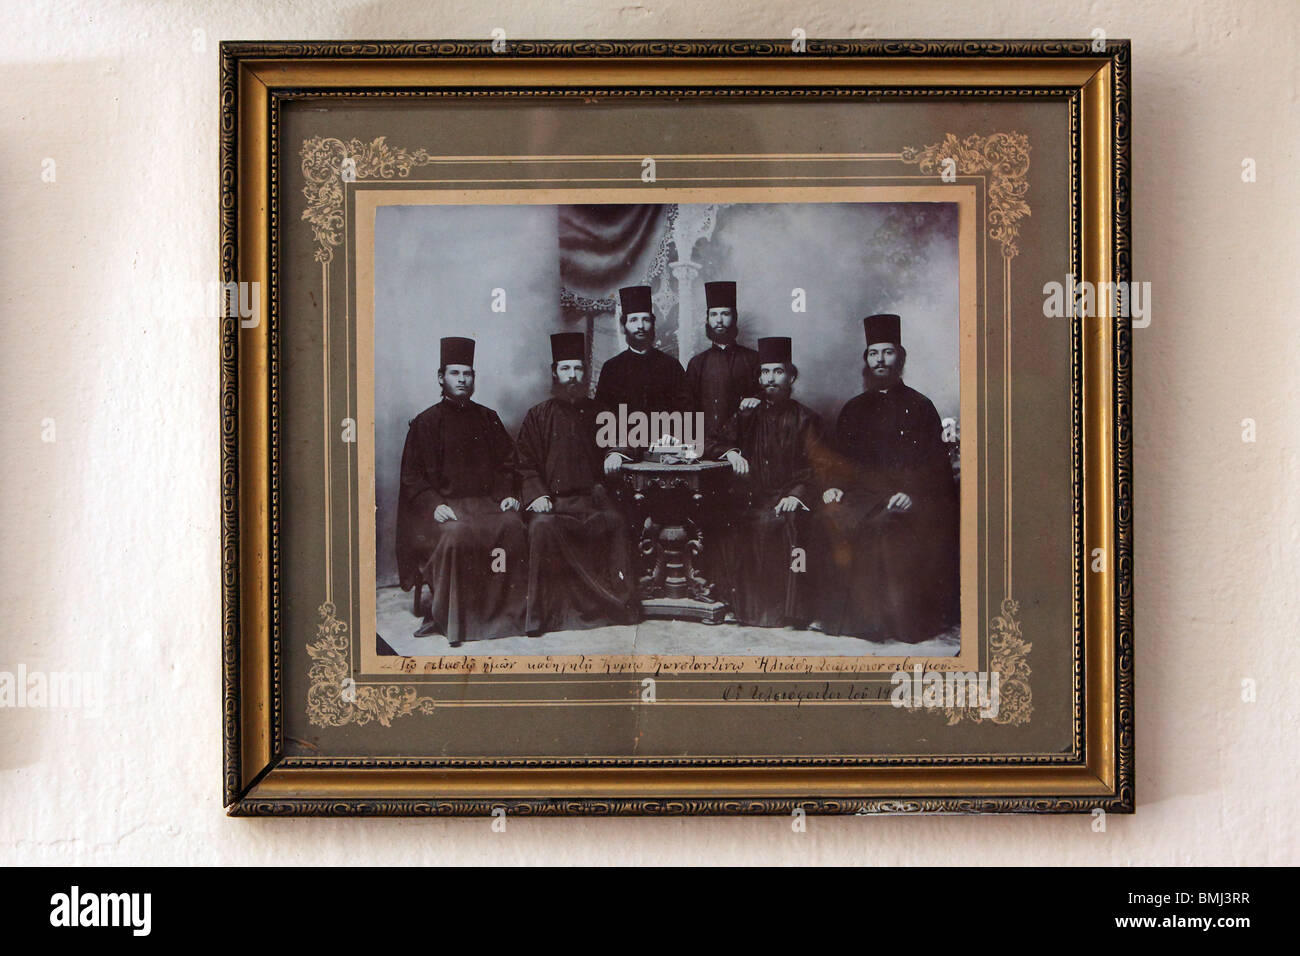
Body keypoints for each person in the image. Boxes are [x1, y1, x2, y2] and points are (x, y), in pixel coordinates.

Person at [815, 314, 959, 643]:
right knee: (830, 518)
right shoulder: (853, 408)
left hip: (905, 496)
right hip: (863, 495)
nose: (880, 360)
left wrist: (912, 493)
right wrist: (835, 486)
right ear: (866, 360)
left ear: (900, 357)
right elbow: (841, 461)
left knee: (885, 527)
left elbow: (934, 465)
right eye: (873, 353)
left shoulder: (921, 406)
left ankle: (893, 623)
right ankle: (847, 620)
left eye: (887, 352)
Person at [395, 336, 527, 645]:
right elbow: (412, 477)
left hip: (484, 504)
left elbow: (508, 463)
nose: (462, 379)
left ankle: (505, 614)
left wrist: (508, 492)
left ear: (474, 378)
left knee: (512, 526)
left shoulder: (488, 418)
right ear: (441, 378)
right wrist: (433, 503)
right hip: (443, 508)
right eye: (455, 373)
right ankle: (450, 617)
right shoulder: (425, 423)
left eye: (467, 373)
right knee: (455, 535)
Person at [516, 332, 638, 635]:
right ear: (555, 372)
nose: (573, 375)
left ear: (586, 372)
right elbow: (524, 463)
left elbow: (628, 440)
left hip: (592, 501)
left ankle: (614, 606)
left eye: (578, 369)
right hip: (554, 503)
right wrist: (537, 495)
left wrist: (616, 452)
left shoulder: (600, 412)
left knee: (616, 523)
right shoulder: (538, 415)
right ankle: (547, 616)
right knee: (541, 528)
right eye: (566, 369)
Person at [710, 337, 827, 627]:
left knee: (781, 522)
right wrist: (732, 453)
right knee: (729, 521)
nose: (770, 378)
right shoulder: (748, 414)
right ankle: (738, 605)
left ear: (791, 376)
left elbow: (818, 469)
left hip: (787, 497)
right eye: (765, 372)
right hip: (752, 497)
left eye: (777, 371)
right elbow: (715, 442)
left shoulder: (807, 419)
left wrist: (796, 495)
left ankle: (789, 610)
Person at [593, 284, 691, 470]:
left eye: (646, 320)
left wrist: (673, 438)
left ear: (653, 324)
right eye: (634, 320)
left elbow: (685, 410)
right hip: (624, 458)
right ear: (624, 326)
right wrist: (617, 450)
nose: (640, 326)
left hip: (665, 455)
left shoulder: (671, 366)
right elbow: (604, 415)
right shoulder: (611, 368)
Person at [685, 280, 762, 449]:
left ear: (734, 317)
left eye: (725, 314)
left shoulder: (753, 359)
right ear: (707, 319)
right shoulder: (697, 363)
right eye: (714, 315)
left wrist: (756, 398)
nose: (719, 320)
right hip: (706, 447)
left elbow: (766, 397)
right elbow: (688, 410)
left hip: (746, 446)